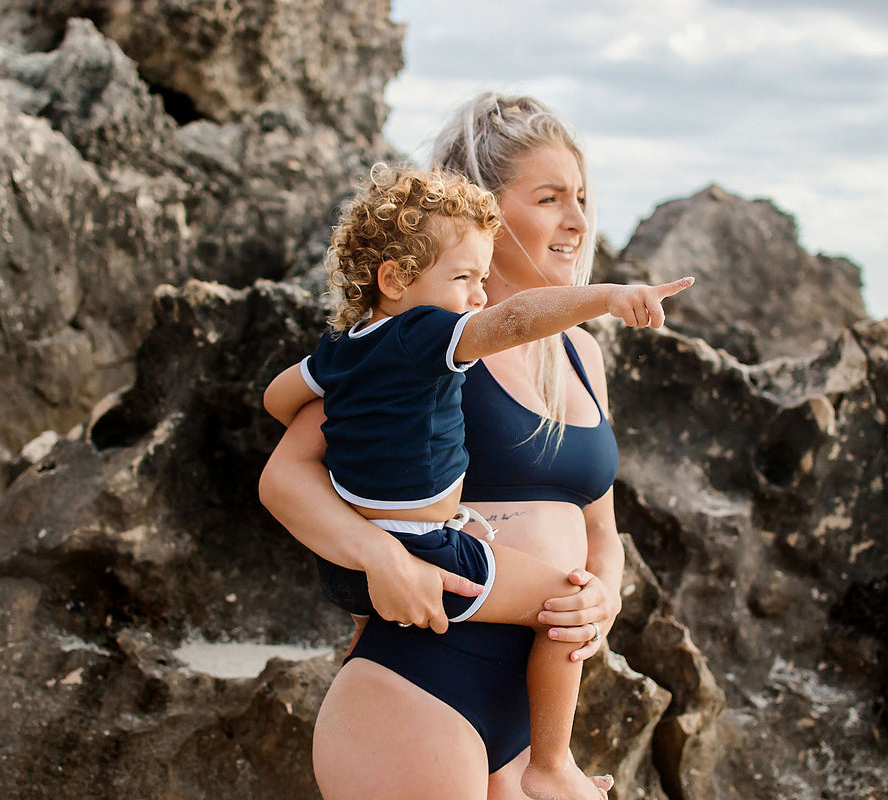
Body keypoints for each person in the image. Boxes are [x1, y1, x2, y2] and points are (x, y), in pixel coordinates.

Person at [259, 93, 668, 800]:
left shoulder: (582, 357)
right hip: (424, 683)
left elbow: (601, 529)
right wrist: (380, 555)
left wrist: (602, 599)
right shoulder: (418, 340)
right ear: (483, 206)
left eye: (581, 198)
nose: (577, 220)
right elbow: (288, 476)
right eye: (549, 198)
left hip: (530, 714)